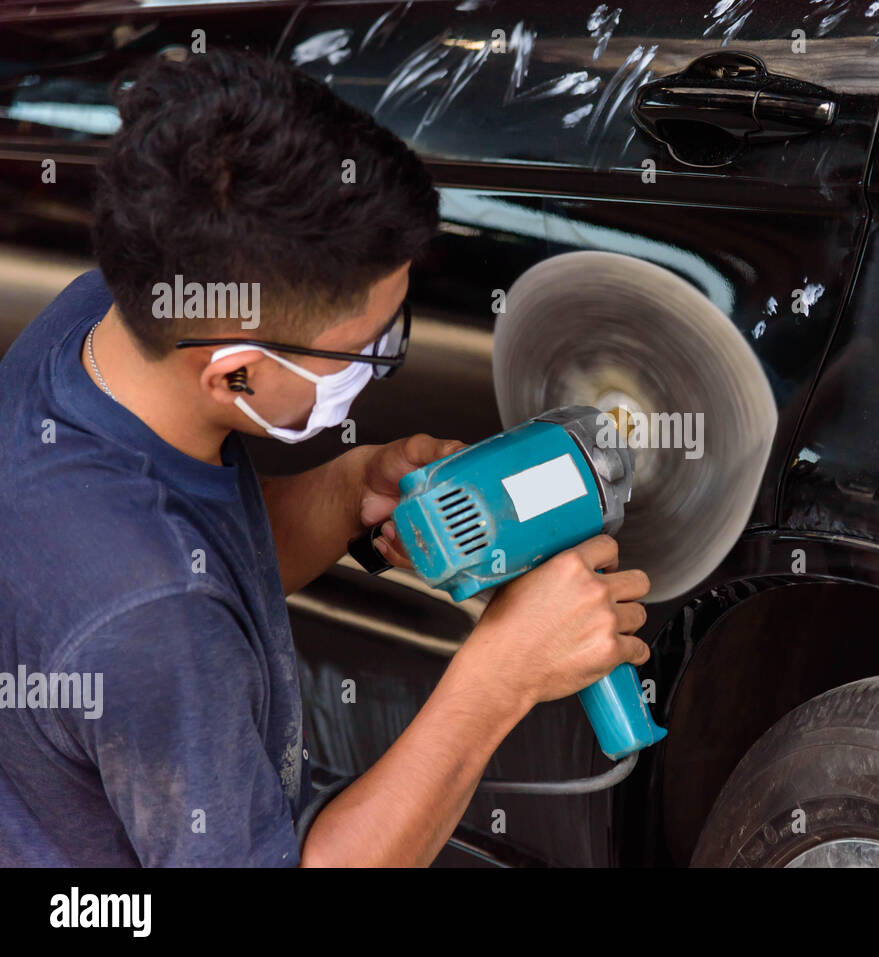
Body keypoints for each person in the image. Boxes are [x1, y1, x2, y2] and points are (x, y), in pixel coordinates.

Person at [0, 48, 650, 867]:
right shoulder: (149, 619)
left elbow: (205, 552)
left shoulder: (105, 321)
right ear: (234, 370)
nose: (376, 367)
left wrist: (347, 491)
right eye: (359, 350)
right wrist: (500, 678)